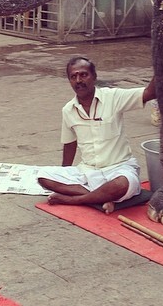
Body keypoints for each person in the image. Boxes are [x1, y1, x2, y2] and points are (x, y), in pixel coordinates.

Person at [38, 56, 156, 213]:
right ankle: (101, 198)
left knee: (123, 184)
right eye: (73, 77)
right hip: (87, 172)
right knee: (43, 177)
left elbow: (149, 93)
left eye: (83, 75)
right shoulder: (68, 110)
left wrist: (162, 63)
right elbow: (69, 143)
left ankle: (77, 200)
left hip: (119, 169)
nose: (79, 80)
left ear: (94, 77)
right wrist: (63, 175)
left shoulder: (113, 97)